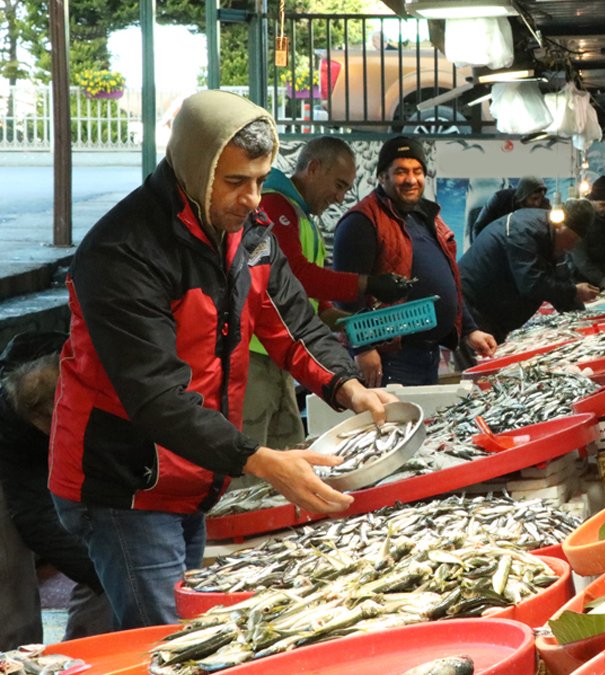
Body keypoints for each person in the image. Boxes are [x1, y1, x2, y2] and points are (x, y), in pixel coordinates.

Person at [49, 90, 398, 630]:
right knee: (174, 639)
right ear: (195, 165)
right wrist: (258, 459)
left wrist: (348, 388)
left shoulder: (248, 235)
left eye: (260, 180)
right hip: (127, 481)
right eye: (236, 181)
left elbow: (293, 324)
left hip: (194, 474)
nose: (254, 199)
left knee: (143, 626)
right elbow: (155, 396)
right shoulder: (124, 250)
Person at [247, 136, 412, 449]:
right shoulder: (273, 206)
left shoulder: (303, 220)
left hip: (282, 360)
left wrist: (355, 324)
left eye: (346, 189)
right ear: (313, 168)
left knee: (290, 448)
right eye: (338, 185)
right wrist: (369, 283)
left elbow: (316, 307)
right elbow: (298, 275)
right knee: (254, 454)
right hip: (256, 358)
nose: (339, 198)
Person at [333, 136, 497, 386]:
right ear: (381, 177)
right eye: (400, 172)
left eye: (417, 171)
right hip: (389, 358)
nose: (411, 179)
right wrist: (362, 348)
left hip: (427, 355)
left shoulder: (427, 216)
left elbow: (449, 280)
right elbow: (346, 292)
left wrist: (469, 330)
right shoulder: (361, 221)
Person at [0, 333, 111, 648]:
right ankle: (17, 658)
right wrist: (99, 568)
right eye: (42, 419)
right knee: (10, 579)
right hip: (17, 480)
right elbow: (33, 515)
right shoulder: (11, 420)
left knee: (114, 550)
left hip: (87, 466)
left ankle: (90, 650)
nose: (50, 423)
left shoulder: (100, 383)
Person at [459, 200, 599, 343]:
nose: (571, 246)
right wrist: (574, 291)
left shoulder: (553, 239)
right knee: (483, 361)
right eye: (572, 239)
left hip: (496, 316)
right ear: (559, 225)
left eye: (576, 241)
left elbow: (561, 280)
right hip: (472, 310)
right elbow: (532, 284)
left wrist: (585, 324)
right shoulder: (523, 230)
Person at [568, 176, 605, 290]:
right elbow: (581, 260)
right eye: (603, 205)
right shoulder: (581, 219)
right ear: (592, 201)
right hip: (582, 282)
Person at [469, 176, 548, 242]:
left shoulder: (544, 205)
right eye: (534, 199)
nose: (538, 203)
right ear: (524, 196)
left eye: (541, 198)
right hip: (498, 241)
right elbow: (478, 227)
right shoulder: (500, 199)